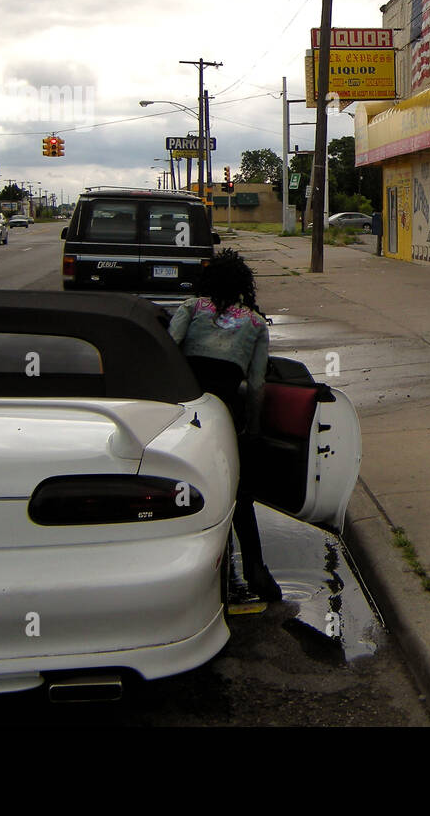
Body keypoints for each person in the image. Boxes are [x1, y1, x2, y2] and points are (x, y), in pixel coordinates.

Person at [167, 250, 281, 602]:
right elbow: (258, 385)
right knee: (239, 492)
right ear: (244, 285)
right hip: (225, 413)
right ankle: (256, 571)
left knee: (180, 490)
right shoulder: (255, 324)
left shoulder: (191, 308)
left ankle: (183, 569)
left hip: (183, 410)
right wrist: (254, 429)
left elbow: (169, 351)